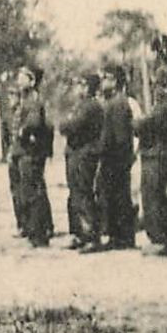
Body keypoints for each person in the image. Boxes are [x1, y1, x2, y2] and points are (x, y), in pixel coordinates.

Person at [135, 66, 167, 256]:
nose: (155, 89)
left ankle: (163, 240)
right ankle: (162, 239)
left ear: (166, 86)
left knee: (156, 199)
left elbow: (142, 125)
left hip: (158, 156)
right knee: (155, 198)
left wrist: (139, 121)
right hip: (155, 155)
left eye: (159, 84)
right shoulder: (166, 106)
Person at [93, 64, 139, 250]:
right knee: (116, 197)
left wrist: (104, 152)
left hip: (115, 159)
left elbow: (118, 137)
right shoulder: (116, 102)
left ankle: (121, 237)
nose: (103, 81)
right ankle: (120, 237)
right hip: (117, 158)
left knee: (117, 198)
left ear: (116, 81)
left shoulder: (117, 103)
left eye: (107, 78)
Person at [59, 72, 105, 250]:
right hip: (76, 154)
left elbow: (72, 125)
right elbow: (66, 125)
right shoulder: (81, 105)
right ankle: (80, 233)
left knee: (84, 193)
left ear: (87, 87)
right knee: (75, 193)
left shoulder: (90, 106)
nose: (77, 88)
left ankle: (92, 236)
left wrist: (66, 124)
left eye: (80, 84)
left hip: (85, 154)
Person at [10, 65, 54, 247]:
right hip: (24, 152)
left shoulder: (33, 100)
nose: (19, 79)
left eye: (23, 76)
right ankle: (35, 229)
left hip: (30, 152)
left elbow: (34, 123)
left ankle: (39, 233)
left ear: (32, 81)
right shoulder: (25, 99)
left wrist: (23, 132)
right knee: (28, 191)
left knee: (33, 192)